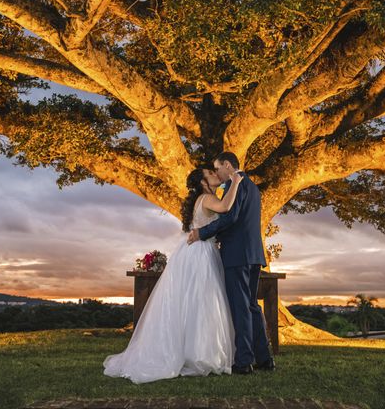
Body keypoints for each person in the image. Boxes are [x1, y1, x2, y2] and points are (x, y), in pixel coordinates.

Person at [102, 166, 243, 384]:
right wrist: (236, 182)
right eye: (211, 174)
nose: (216, 175)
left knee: (193, 301)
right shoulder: (206, 198)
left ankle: (195, 349)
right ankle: (199, 354)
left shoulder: (203, 199)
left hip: (195, 251)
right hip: (201, 254)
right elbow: (225, 207)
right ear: (203, 182)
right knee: (202, 300)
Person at [187, 151, 275, 375]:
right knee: (252, 305)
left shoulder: (229, 187)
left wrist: (202, 233)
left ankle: (244, 361)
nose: (216, 172)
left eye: (217, 168)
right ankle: (265, 358)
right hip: (254, 254)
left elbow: (230, 217)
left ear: (227, 165)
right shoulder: (254, 187)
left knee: (241, 307)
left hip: (237, 254)